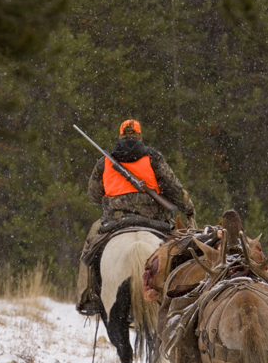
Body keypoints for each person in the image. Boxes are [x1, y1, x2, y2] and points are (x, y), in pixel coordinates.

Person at [76, 119, 195, 315]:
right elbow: (174, 188)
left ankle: (89, 294)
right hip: (155, 220)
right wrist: (188, 209)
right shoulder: (153, 158)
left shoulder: (104, 162)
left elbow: (93, 195)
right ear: (139, 136)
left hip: (115, 221)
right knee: (181, 248)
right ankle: (184, 293)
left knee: (89, 249)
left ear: (121, 136)